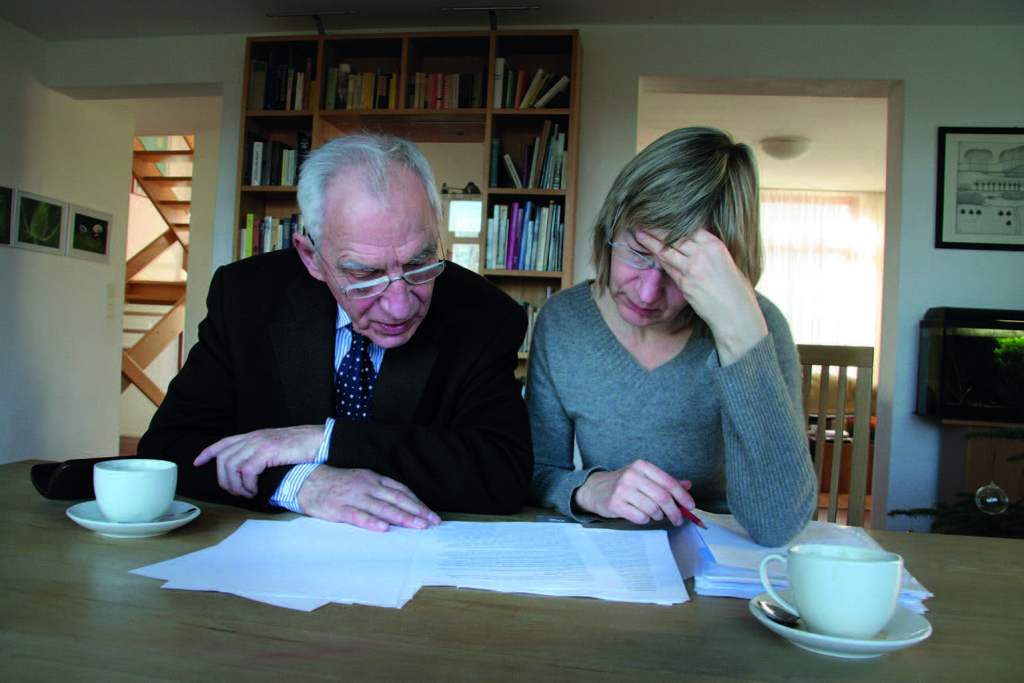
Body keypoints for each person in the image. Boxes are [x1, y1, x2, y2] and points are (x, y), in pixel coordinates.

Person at [138, 133, 532, 531]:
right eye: (365, 274)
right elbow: (168, 449)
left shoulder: (484, 314)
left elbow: (504, 472)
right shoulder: (245, 297)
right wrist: (298, 483)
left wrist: (324, 440)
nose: (400, 305)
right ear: (311, 256)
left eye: (419, 263)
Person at [527, 126, 816, 546]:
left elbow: (778, 523)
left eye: (682, 273)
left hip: (729, 557)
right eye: (638, 253)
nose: (647, 293)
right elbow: (535, 472)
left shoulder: (758, 325)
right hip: (613, 553)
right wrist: (590, 488)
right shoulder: (562, 322)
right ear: (610, 229)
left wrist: (740, 335)